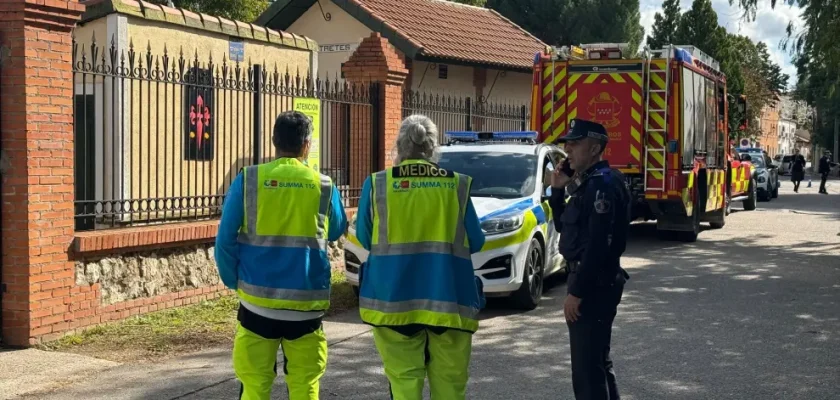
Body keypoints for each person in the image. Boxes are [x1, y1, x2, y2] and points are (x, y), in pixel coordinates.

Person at [215, 110, 347, 400]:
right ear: (307, 144)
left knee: (254, 385)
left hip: (257, 304)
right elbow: (337, 228)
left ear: (274, 141)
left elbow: (224, 240)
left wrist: (234, 281)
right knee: (304, 385)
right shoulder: (323, 185)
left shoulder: (249, 180)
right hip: (306, 304)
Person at [354, 114, 486, 400]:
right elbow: (476, 241)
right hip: (450, 300)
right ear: (433, 147)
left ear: (400, 146)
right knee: (450, 385)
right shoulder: (457, 185)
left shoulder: (378, 184)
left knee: (404, 384)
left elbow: (366, 239)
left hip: (393, 301)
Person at [548, 118, 631, 400]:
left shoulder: (603, 185)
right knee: (597, 364)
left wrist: (577, 291)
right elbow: (566, 229)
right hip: (591, 280)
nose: (568, 150)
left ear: (595, 148)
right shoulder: (586, 184)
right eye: (567, 144)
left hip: (594, 283)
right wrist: (558, 189)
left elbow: (599, 245)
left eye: (575, 143)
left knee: (586, 372)